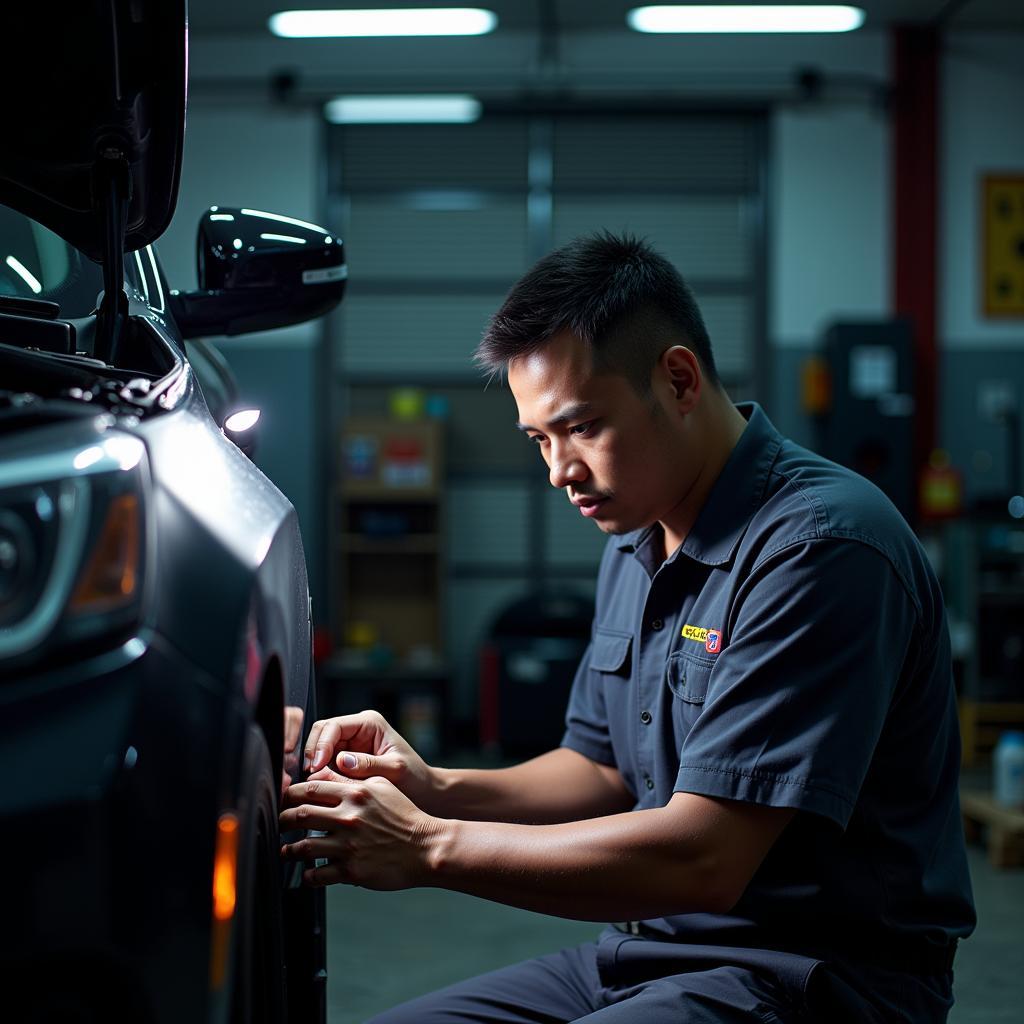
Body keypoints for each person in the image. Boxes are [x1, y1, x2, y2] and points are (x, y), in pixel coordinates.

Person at [281, 233, 975, 1022]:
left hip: (817, 978)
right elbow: (601, 771)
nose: (559, 472)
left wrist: (429, 846)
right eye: (539, 439)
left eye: (582, 428)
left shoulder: (822, 548)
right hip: (650, 955)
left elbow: (704, 856)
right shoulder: (639, 534)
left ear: (677, 380)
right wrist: (435, 788)